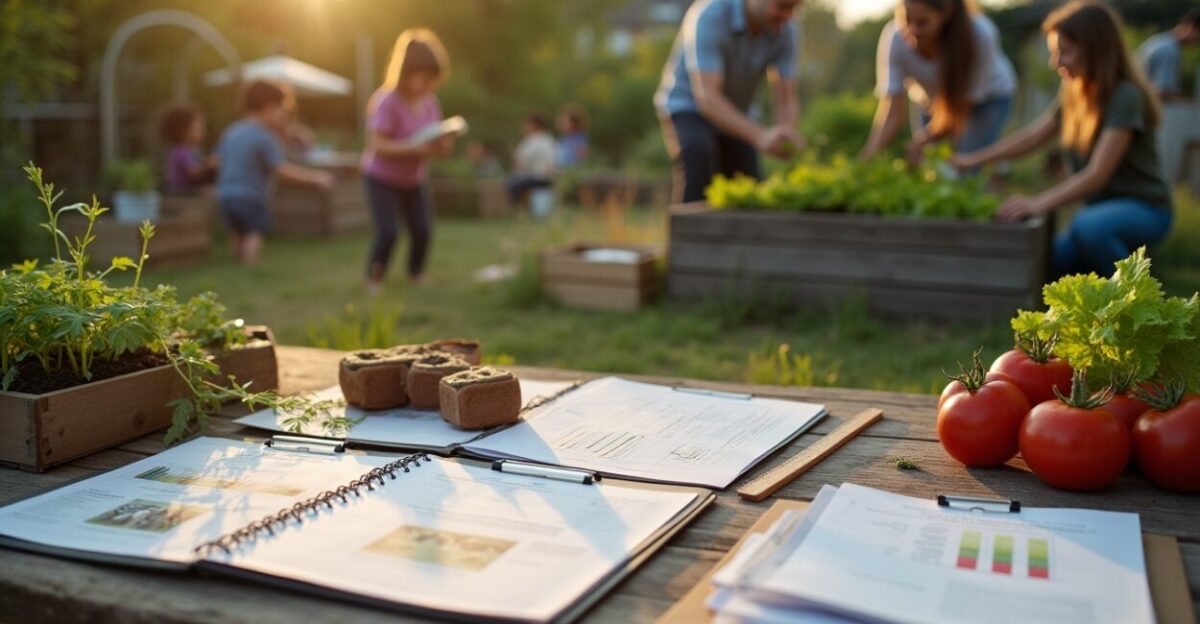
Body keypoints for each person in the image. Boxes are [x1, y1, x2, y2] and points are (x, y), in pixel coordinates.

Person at [951, 1, 1172, 278]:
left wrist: (1037, 203)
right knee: (1049, 267)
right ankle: (1113, 274)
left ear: (1095, 50)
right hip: (1099, 212)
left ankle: (1138, 299)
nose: (1055, 63)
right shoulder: (1074, 94)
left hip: (1146, 209)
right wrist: (973, 159)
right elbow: (1032, 137)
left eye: (1064, 52)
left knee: (1090, 227)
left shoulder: (1125, 95)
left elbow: (1097, 175)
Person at [654, 0, 803, 203]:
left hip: (737, 112)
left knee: (748, 182)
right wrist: (760, 136)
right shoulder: (709, 16)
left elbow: (785, 96)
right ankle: (687, 231)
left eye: (794, 8)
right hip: (689, 106)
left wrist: (785, 135)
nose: (788, 16)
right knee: (699, 155)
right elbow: (707, 98)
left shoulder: (786, 30)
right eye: (782, 6)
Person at [860, 0, 1016, 166]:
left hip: (987, 99)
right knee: (927, 164)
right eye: (906, 19)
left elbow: (962, 107)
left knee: (966, 163)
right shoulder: (895, 38)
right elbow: (892, 112)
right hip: (931, 101)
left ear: (946, 13)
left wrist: (925, 139)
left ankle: (997, 176)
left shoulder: (979, 35)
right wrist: (867, 158)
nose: (912, 30)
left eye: (922, 22)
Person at [361, 28, 453, 292]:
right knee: (388, 231)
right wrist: (414, 149)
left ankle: (415, 273)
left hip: (414, 178)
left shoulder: (430, 102)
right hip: (381, 177)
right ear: (406, 73)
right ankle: (374, 277)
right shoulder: (386, 101)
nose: (428, 85)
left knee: (423, 229)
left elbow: (433, 139)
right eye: (423, 78)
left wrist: (440, 146)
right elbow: (376, 143)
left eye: (432, 79)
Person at [215, 80, 335, 265]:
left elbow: (217, 161)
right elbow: (282, 170)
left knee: (238, 233)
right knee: (254, 233)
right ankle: (251, 266)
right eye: (282, 109)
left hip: (225, 195)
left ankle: (236, 267)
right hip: (251, 196)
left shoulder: (232, 131)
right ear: (270, 107)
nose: (283, 115)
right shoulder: (264, 136)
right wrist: (316, 178)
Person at [1138, 9, 1200, 100]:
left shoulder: (1159, 40)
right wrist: (1192, 103)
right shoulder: (1169, 51)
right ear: (1191, 27)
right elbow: (1163, 93)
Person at [158, 103, 216, 195]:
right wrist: (208, 164)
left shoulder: (191, 150)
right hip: (181, 192)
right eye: (198, 128)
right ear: (183, 130)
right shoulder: (181, 150)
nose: (203, 131)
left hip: (186, 190)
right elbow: (193, 173)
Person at [507, 113, 557, 205]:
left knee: (512, 184)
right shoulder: (547, 139)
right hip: (538, 175)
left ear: (534, 125)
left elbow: (521, 162)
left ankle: (517, 209)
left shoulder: (537, 141)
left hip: (539, 176)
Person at [555, 103, 589, 168]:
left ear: (573, 124)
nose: (562, 124)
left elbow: (582, 159)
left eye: (565, 122)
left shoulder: (579, 139)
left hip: (571, 172)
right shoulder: (562, 138)